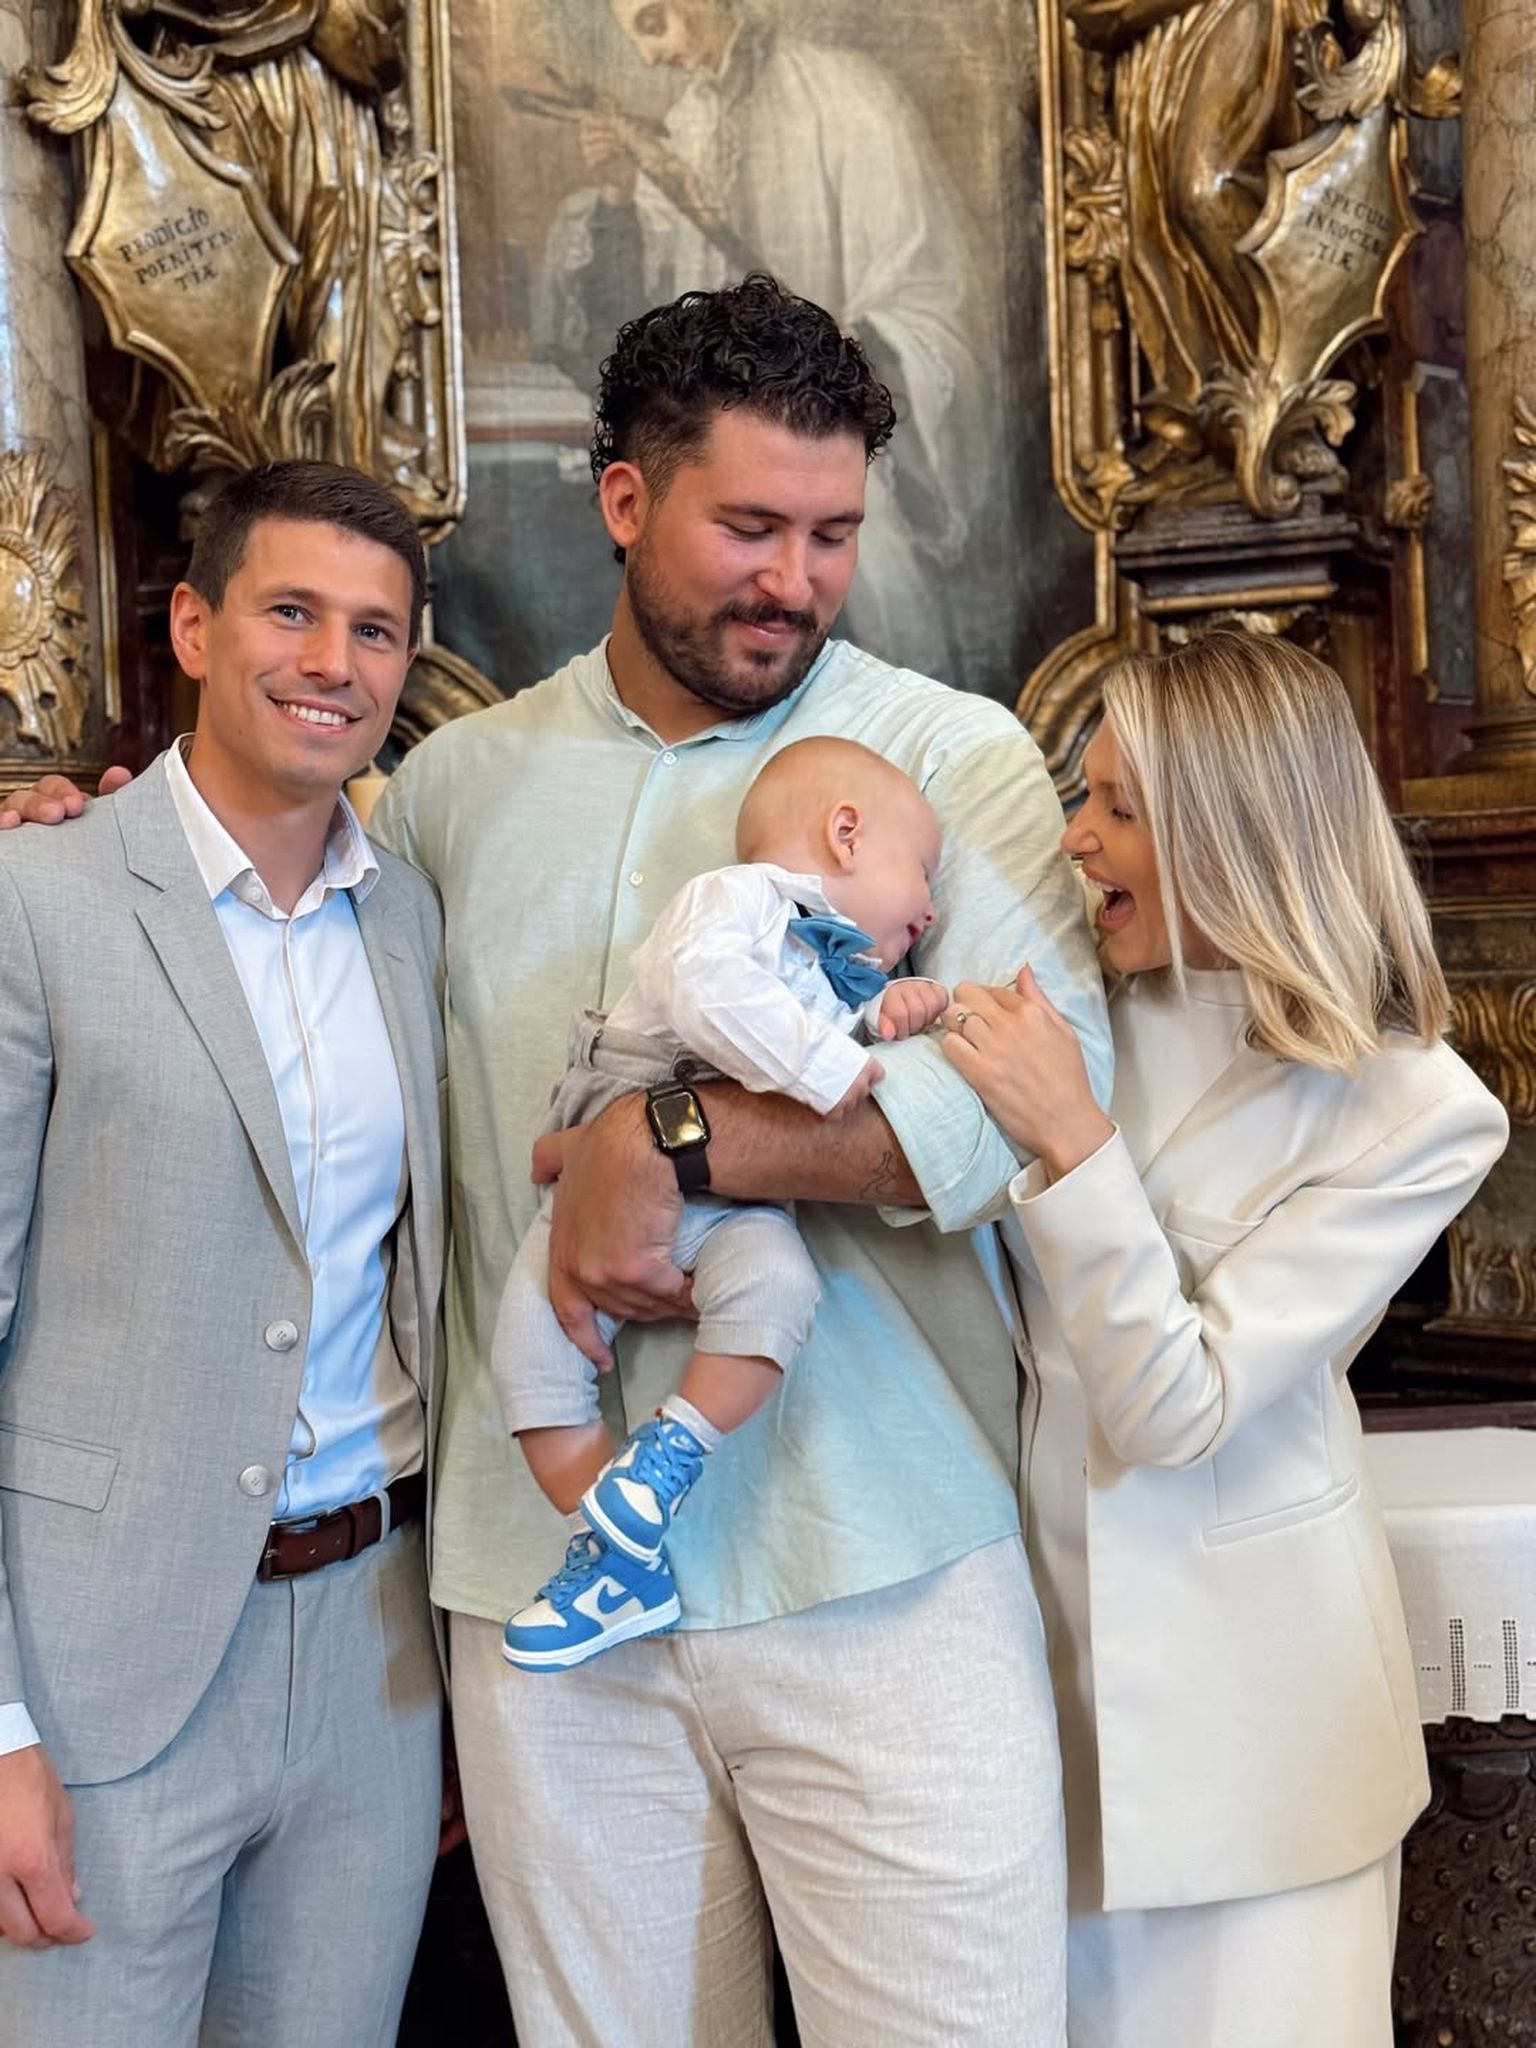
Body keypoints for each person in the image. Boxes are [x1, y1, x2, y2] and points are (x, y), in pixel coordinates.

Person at [6, 276, 1108, 2045]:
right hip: (539, 1610)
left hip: (881, 1572)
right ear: (623, 499)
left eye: (831, 534)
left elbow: (1016, 1117)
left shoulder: (949, 759)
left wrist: (669, 1141)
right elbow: (251, 920)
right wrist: (71, 836)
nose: (794, 579)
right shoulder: (448, 793)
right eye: (747, 526)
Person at [939, 631, 1508, 2048]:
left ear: (1235, 827)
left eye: (1119, 806)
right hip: (1030, 1716)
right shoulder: (1068, 1011)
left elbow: (1175, 1407)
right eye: (1081, 797)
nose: (1075, 839)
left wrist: (1071, 1138)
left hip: (1261, 1756)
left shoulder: (1415, 1109)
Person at [0, 461, 447, 2046]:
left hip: (373, 1664)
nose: (335, 662)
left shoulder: (409, 918)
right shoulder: (36, 896)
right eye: (293, 613)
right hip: (98, 1673)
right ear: (194, 627)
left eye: (376, 630)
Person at [494, 737, 948, 1670]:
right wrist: (829, 1062)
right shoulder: (736, 899)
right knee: (529, 1358)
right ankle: (614, 1563)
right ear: (846, 833)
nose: (933, 907)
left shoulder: (831, 973)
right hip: (608, 1153)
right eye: (924, 872)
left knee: (781, 1287)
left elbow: (831, 1033)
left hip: (736, 1194)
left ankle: (667, 1460)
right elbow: (709, 992)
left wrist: (887, 1015)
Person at [536, 0, 1008, 686]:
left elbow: (925, 294)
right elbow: (654, 325)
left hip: (836, 431)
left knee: (880, 581)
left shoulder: (846, 97)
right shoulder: (688, 127)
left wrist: (819, 390)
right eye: (749, 530)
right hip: (716, 447)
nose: (648, 55)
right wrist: (620, 195)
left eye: (652, 22)